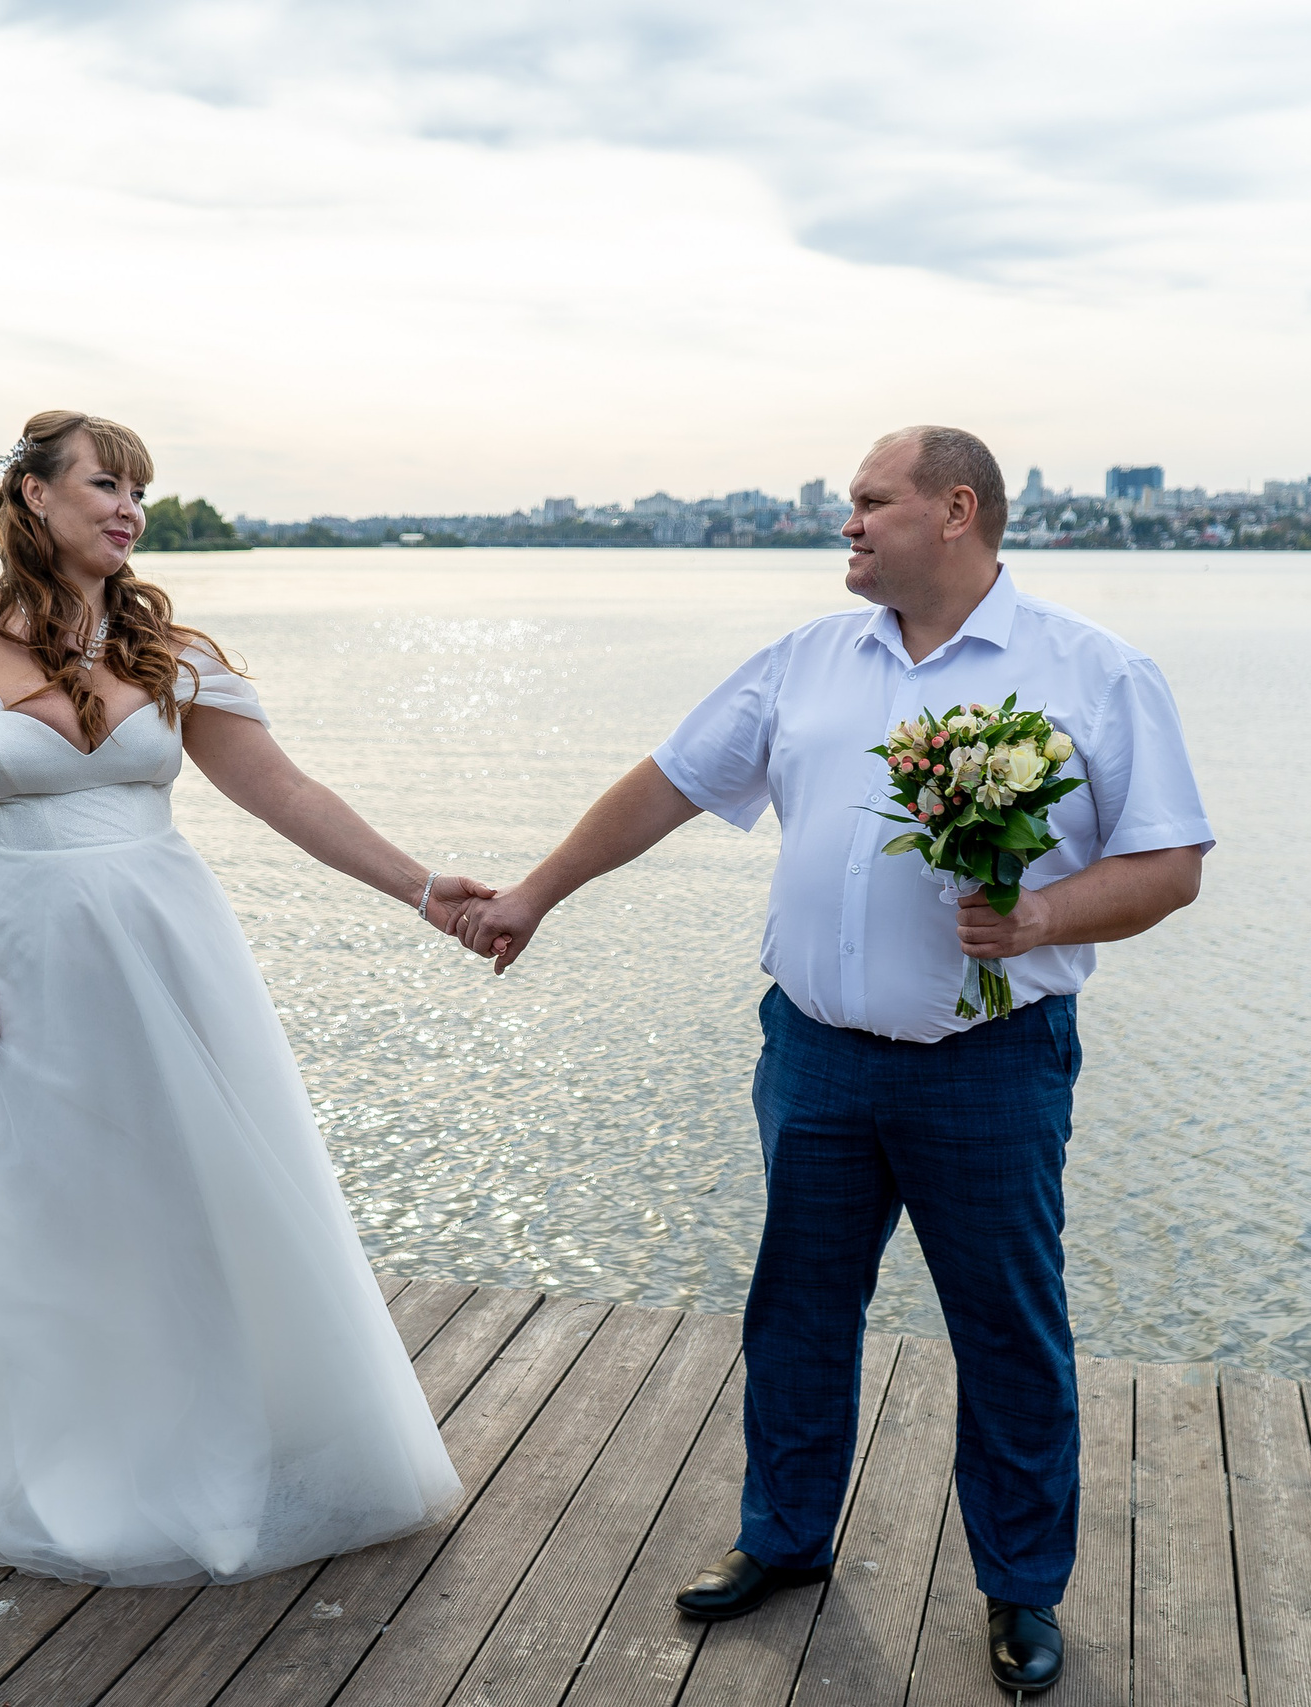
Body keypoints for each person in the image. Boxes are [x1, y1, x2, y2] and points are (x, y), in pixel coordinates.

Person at [455, 426, 1210, 1695]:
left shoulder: (1093, 672)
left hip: (989, 1063)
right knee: (798, 1308)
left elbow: (1170, 865)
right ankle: (784, 1538)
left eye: (869, 501)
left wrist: (1038, 915)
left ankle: (1020, 1587)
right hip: (810, 1056)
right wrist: (534, 893)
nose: (846, 523)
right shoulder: (806, 660)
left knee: (1007, 1331)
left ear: (954, 511)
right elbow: (668, 784)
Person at [0, 409, 481, 1585]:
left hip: (169, 952)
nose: (129, 511)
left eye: (138, 492)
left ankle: (211, 1451)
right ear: (34, 495)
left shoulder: (170, 651)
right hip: (21, 962)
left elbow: (286, 794)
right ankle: (73, 1465)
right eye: (105, 485)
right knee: (47, 1204)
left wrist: (421, 888)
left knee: (187, 1194)